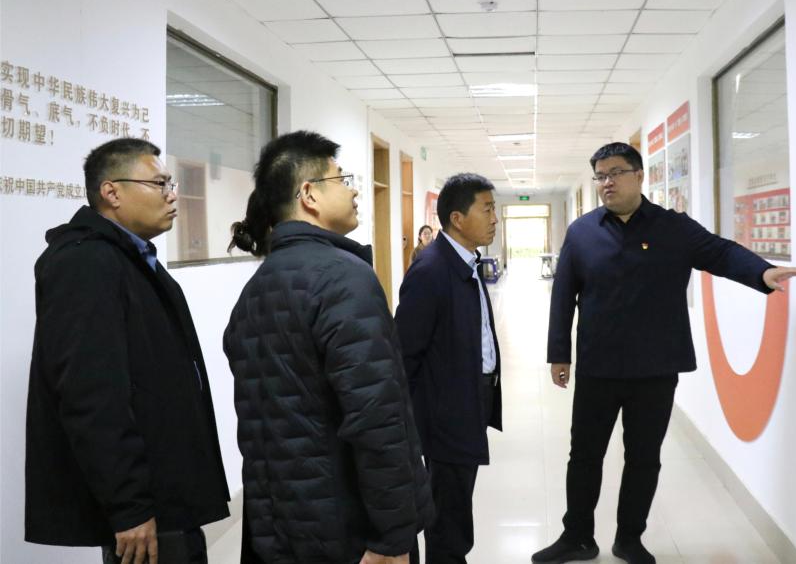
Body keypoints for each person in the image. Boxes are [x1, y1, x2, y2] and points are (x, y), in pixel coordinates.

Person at [532, 143, 796, 564]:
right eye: (600, 176)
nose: (607, 182)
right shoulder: (582, 232)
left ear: (639, 175)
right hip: (598, 366)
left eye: (615, 173)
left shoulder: (672, 228)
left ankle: (630, 538)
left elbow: (719, 252)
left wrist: (762, 272)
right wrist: (559, 353)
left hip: (655, 368)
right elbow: (563, 294)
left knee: (644, 457)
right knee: (584, 455)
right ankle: (577, 537)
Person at [223, 131, 433, 564]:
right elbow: (376, 419)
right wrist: (392, 537)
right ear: (309, 194)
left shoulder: (256, 289)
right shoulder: (344, 279)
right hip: (347, 529)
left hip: (281, 524)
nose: (354, 190)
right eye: (342, 178)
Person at [25, 138, 230, 564]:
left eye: (170, 183)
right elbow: (91, 395)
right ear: (112, 192)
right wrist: (129, 506)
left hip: (166, 489)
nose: (172, 195)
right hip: (146, 506)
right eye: (159, 184)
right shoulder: (85, 263)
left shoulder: (129, 259)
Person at [395, 173, 502, 564]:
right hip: (446, 412)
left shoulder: (464, 261)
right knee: (448, 512)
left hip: (467, 400)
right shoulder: (431, 270)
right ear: (457, 218)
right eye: (486, 209)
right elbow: (404, 353)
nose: (494, 218)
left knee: (456, 502)